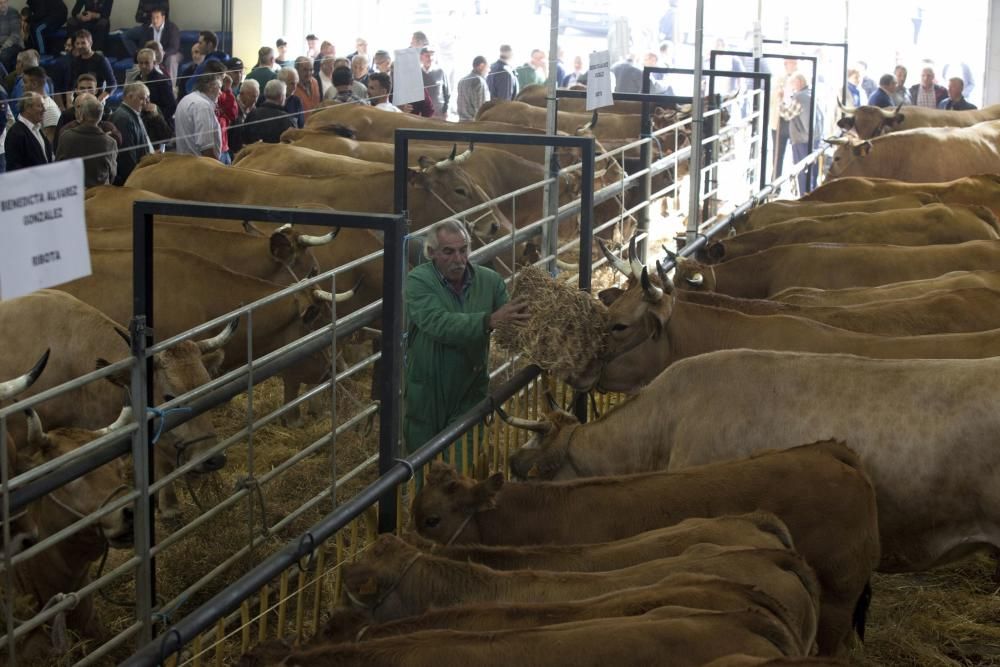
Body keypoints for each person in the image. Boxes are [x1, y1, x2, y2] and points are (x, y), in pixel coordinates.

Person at [403, 219, 530, 465]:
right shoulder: (419, 281)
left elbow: (511, 323)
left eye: (463, 250)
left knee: (459, 469)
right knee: (426, 472)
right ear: (432, 253)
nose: (458, 259)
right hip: (426, 394)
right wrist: (487, 321)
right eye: (448, 252)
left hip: (469, 390)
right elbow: (437, 323)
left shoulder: (490, 281)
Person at [55, 92, 116, 186]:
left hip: (72, 192)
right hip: (99, 195)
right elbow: (112, 173)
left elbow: (58, 167)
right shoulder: (110, 142)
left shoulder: (66, 136)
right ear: (100, 117)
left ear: (81, 115)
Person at [110, 81, 153, 183]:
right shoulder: (123, 118)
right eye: (142, 98)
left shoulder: (131, 114)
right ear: (129, 97)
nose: (146, 102)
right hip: (131, 180)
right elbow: (127, 157)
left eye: (147, 98)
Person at [174, 72, 221, 159]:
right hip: (200, 167)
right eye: (219, 88)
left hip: (184, 163)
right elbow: (206, 148)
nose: (220, 93)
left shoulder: (186, 99)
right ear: (211, 87)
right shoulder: (203, 106)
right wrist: (219, 169)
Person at [782, 72, 814, 195]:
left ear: (800, 82)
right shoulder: (811, 93)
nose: (793, 86)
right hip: (812, 138)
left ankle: (804, 197)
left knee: (802, 170)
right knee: (811, 171)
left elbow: (787, 114)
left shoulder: (799, 97)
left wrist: (782, 102)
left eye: (794, 83)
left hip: (801, 138)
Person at [4, 91, 53, 169]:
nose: (44, 109)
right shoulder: (15, 134)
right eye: (40, 106)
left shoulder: (37, 129)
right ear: (28, 108)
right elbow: (15, 167)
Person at [243, 78, 294, 144]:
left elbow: (244, 139)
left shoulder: (252, 114)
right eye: (285, 95)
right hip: (276, 153)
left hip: (254, 153)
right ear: (281, 97)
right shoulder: (286, 119)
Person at [137, 7, 180, 85]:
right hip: (152, 54)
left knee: (172, 59)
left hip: (169, 53)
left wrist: (163, 54)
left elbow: (174, 47)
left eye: (157, 17)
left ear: (163, 18)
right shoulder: (147, 28)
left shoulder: (172, 27)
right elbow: (142, 45)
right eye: (153, 18)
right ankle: (146, 84)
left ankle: (171, 85)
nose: (155, 20)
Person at [68, 29, 115, 100]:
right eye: (77, 43)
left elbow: (112, 84)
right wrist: (69, 104)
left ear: (90, 43)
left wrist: (99, 101)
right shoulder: (74, 61)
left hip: (96, 98)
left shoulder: (101, 60)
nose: (80, 46)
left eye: (83, 43)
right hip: (79, 99)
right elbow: (70, 85)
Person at [19, 65, 60, 143]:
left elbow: (49, 143)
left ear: (34, 84)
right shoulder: (28, 105)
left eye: (25, 82)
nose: (22, 85)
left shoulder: (49, 108)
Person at [227, 76, 257, 154]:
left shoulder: (254, 110)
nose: (255, 100)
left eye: (256, 96)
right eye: (252, 96)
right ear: (241, 94)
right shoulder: (232, 108)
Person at [456, 55, 489, 121]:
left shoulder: (462, 80)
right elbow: (481, 107)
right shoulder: (479, 81)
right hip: (474, 124)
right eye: (488, 67)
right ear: (481, 66)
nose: (489, 70)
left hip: (461, 122)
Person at [420, 46, 449, 118]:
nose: (430, 58)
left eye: (432, 56)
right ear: (421, 57)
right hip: (422, 113)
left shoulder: (441, 71)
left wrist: (445, 109)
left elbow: (447, 93)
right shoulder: (417, 73)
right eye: (427, 56)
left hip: (439, 113)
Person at [0, 0, 24, 73]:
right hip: (1, 44)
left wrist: (2, 48)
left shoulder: (13, 13)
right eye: (0, 3)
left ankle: (6, 80)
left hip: (14, 44)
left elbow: (15, 35)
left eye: (5, 2)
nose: (3, 5)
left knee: (3, 56)